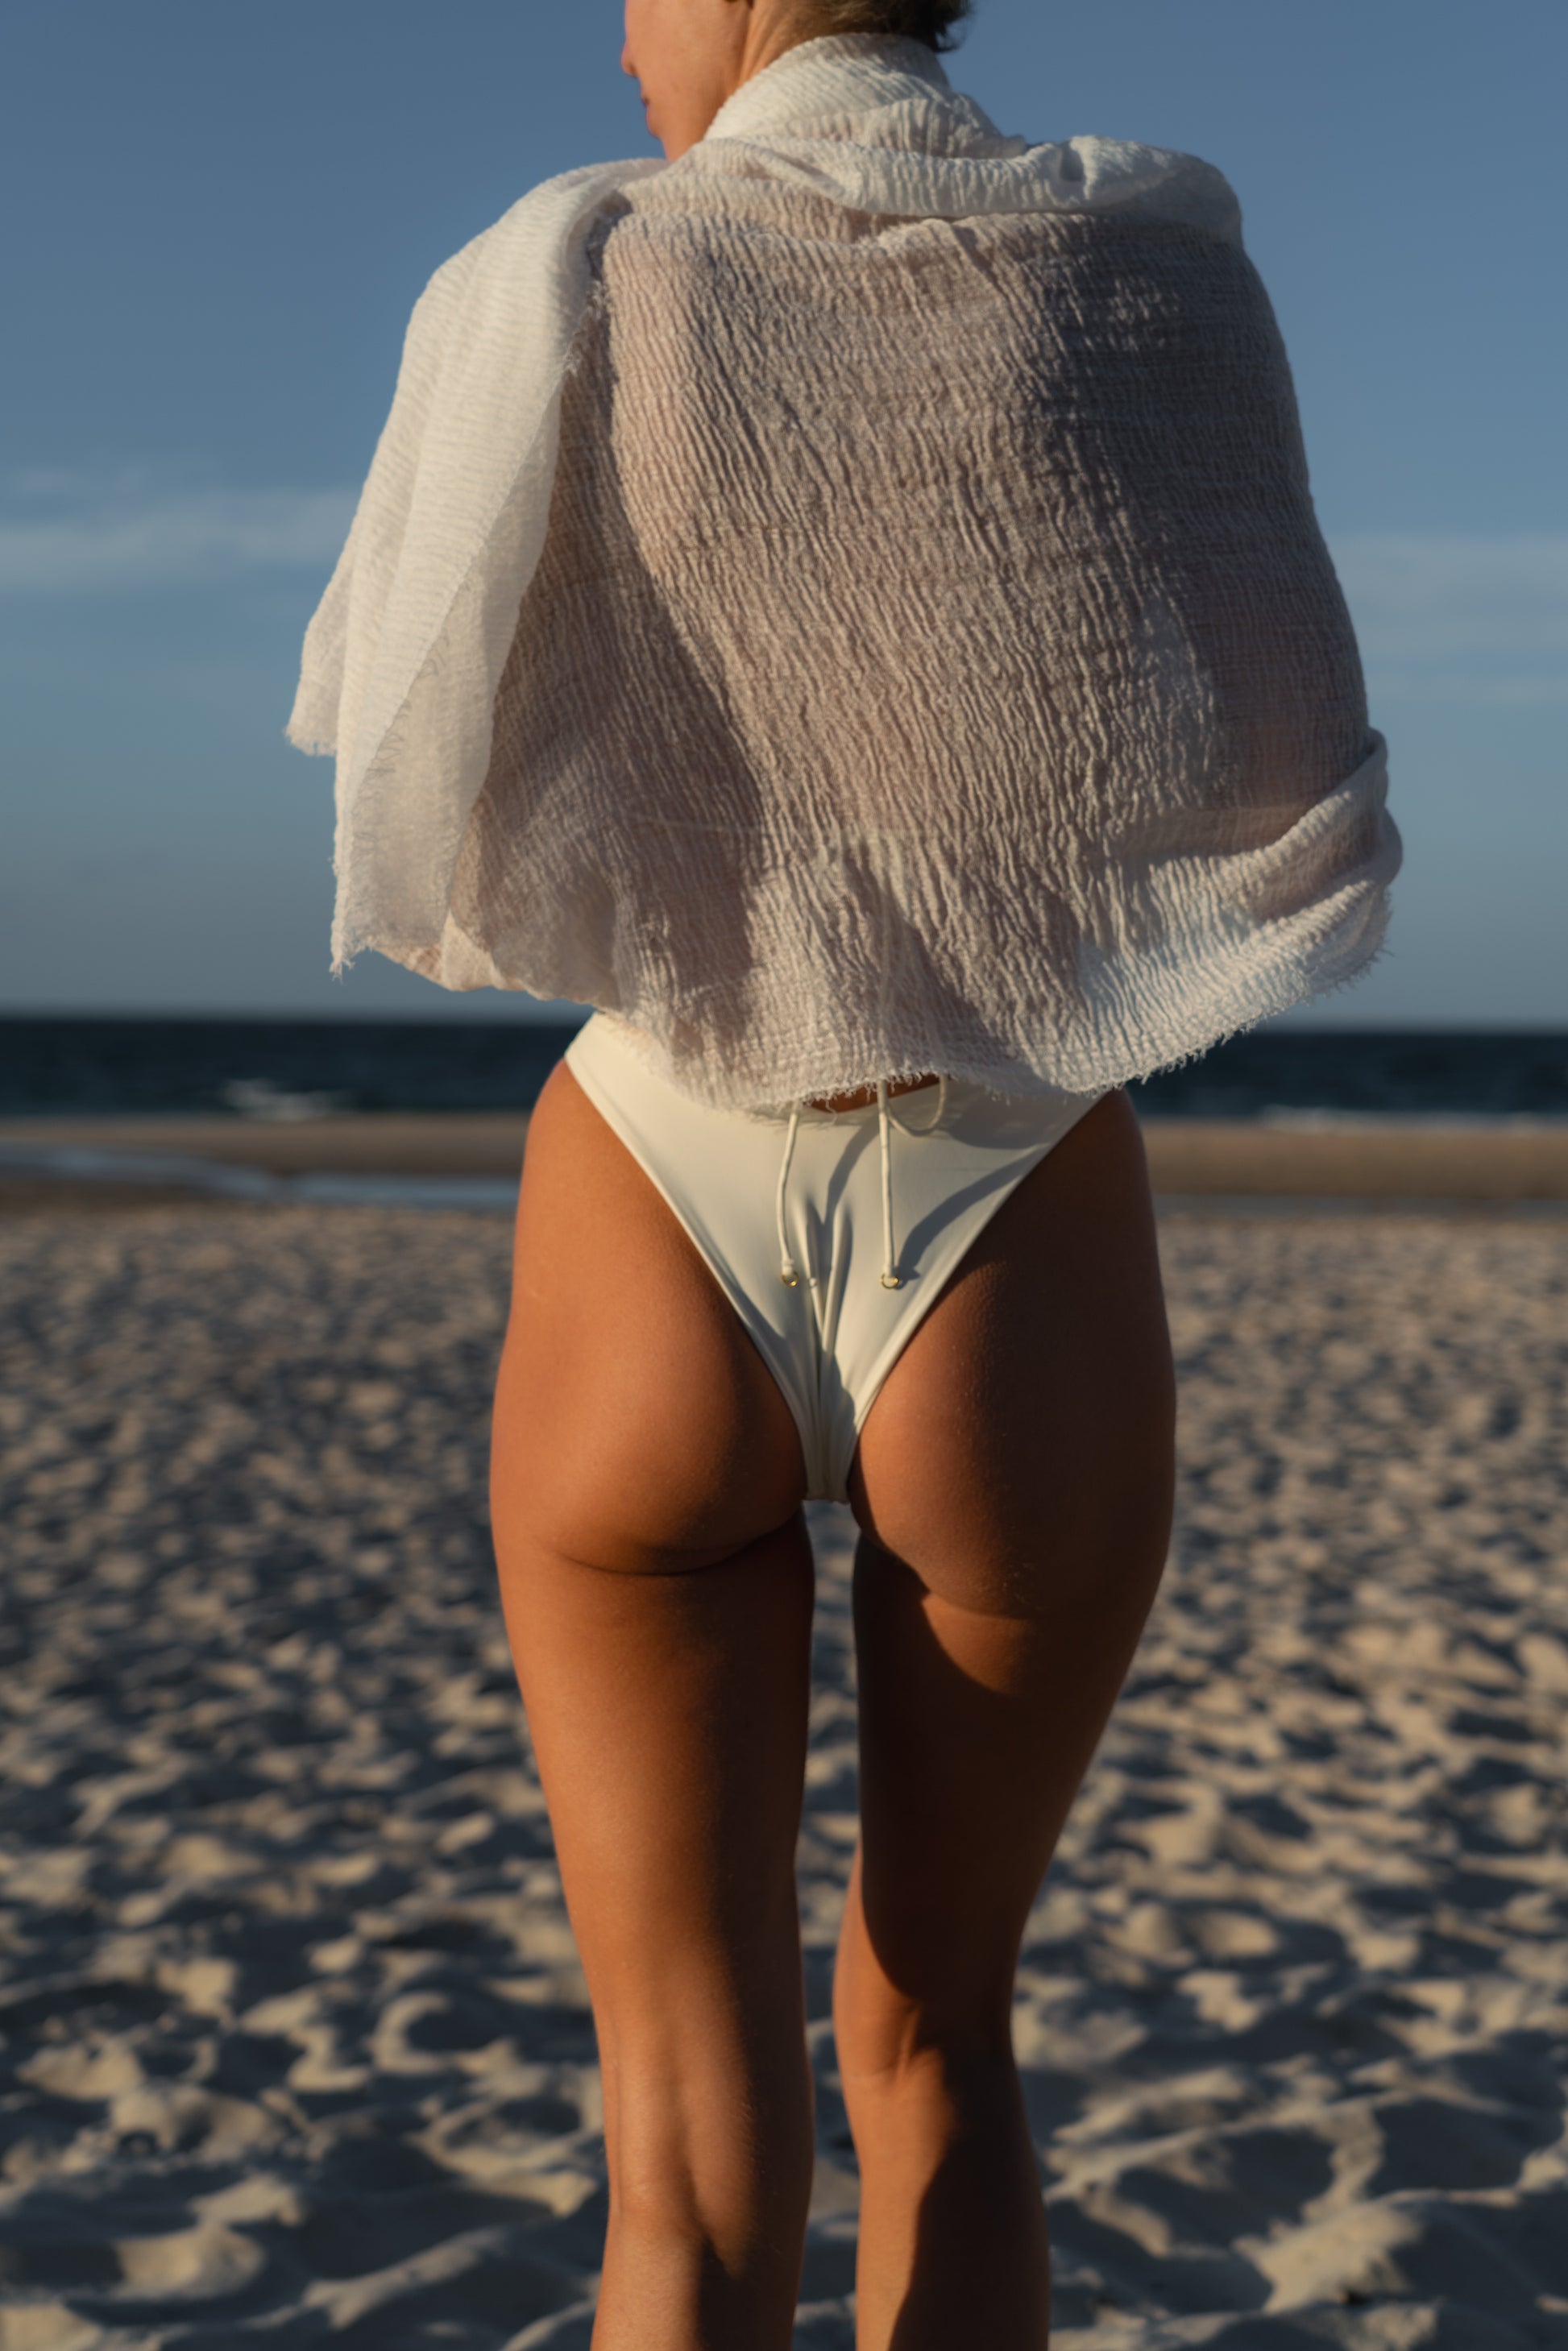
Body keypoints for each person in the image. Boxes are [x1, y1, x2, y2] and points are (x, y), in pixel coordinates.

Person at [290, 5, 1398, 2343]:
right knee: (936, 2050)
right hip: (1005, 1200)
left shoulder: (568, 275)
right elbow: (1248, 731)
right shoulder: (1156, 272)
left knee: (677, 2156)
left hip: (656, 1189)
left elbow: (428, 754)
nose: (614, 48)